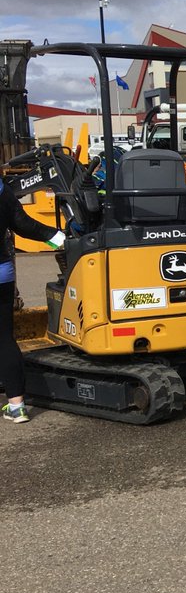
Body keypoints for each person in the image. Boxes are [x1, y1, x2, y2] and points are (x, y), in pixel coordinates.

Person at [1, 179, 67, 422]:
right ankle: (17, 406)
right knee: (4, 339)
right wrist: (56, 237)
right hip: (2, 275)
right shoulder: (3, 190)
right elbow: (23, 225)